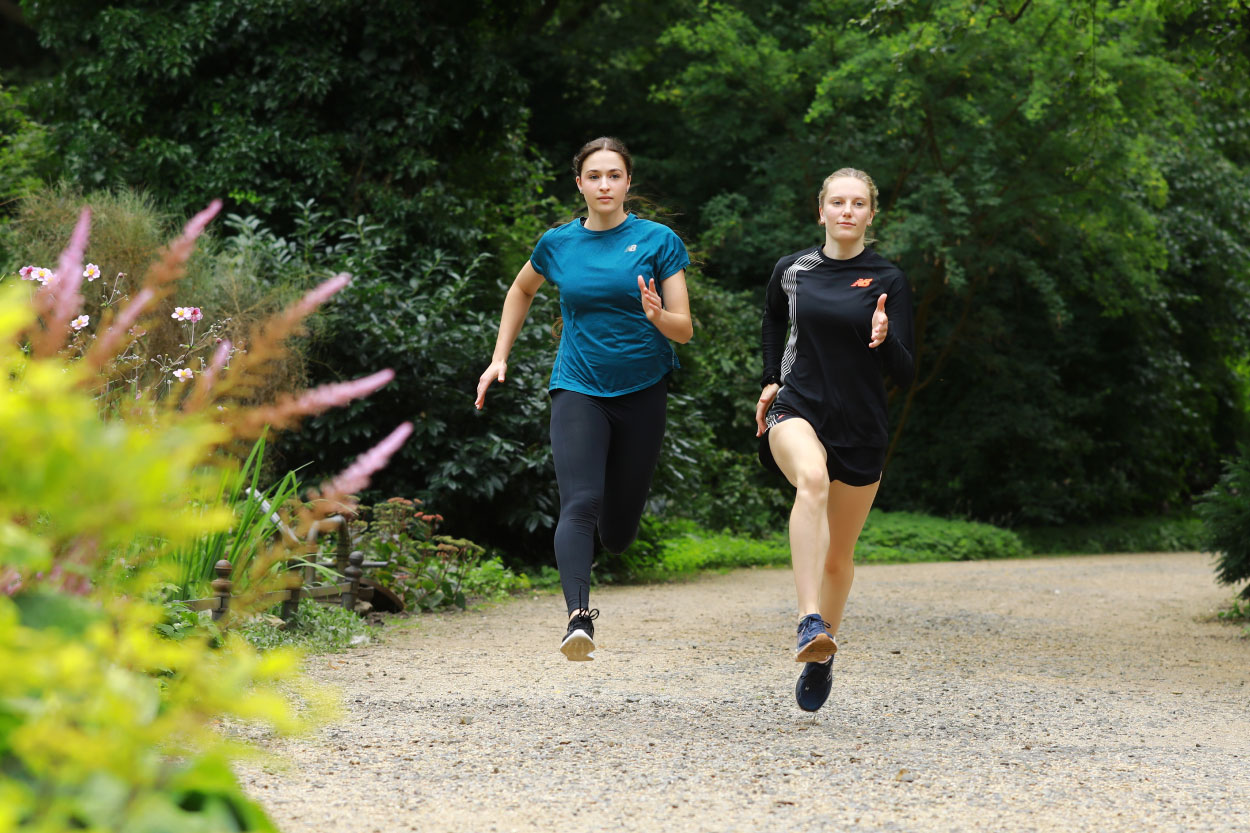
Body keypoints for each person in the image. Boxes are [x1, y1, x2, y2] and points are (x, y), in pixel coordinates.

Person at [475, 137, 692, 661]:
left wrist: (656, 315)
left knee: (617, 532)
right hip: (577, 385)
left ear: (627, 183)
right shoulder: (557, 244)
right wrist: (499, 355)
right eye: (594, 176)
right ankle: (578, 618)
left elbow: (683, 330)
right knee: (580, 502)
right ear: (579, 184)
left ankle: (611, 536)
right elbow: (520, 289)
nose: (604, 185)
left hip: (643, 389)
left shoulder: (658, 240)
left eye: (613, 175)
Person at [755, 167, 914, 711]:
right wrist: (771, 380)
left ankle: (823, 655)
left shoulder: (888, 278)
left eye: (858, 203)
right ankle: (808, 621)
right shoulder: (792, 271)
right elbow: (774, 324)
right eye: (837, 202)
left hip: (862, 425)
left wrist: (886, 338)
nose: (847, 211)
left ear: (871, 214)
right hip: (798, 408)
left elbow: (908, 372)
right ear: (820, 209)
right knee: (812, 481)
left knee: (838, 557)